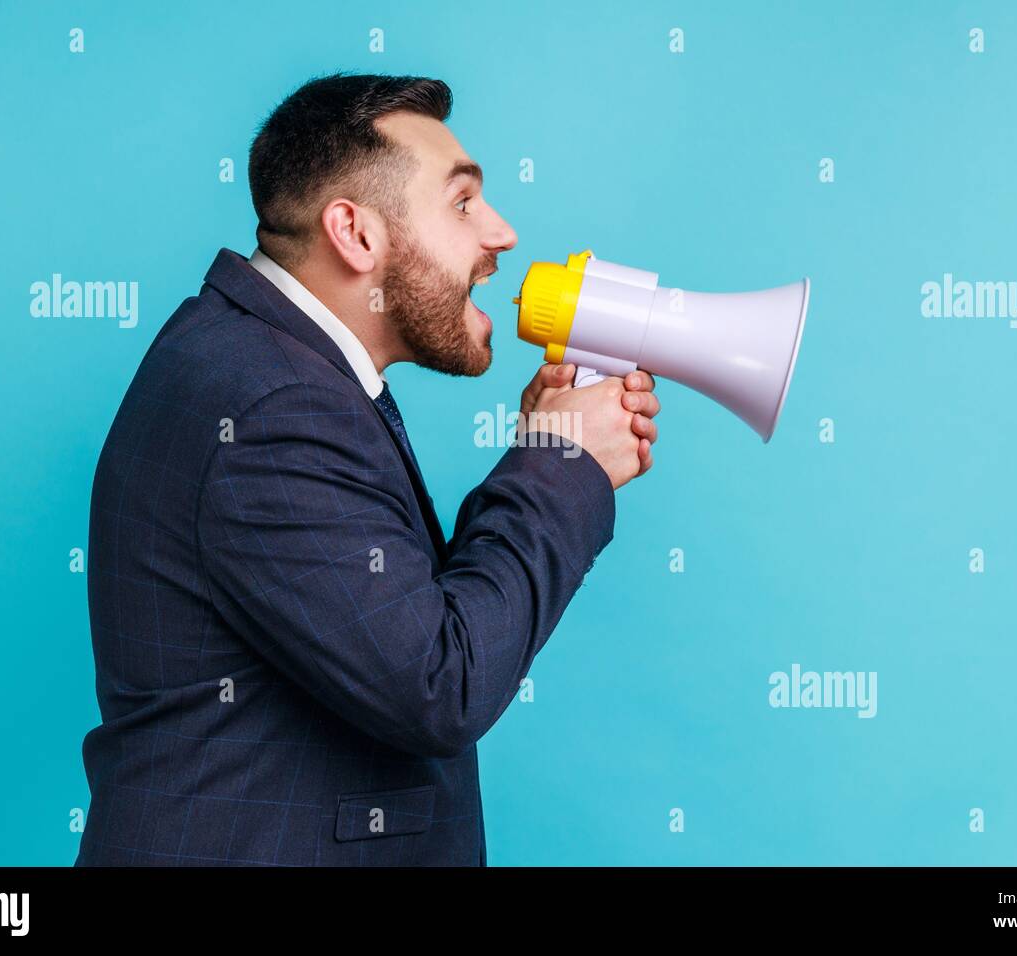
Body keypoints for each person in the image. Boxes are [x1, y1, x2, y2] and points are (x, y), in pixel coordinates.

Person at [75, 72, 661, 866]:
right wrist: (562, 470)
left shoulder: (265, 364)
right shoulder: (271, 407)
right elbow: (438, 685)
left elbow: (389, 620)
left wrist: (543, 455)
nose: (502, 235)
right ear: (355, 234)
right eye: (461, 203)